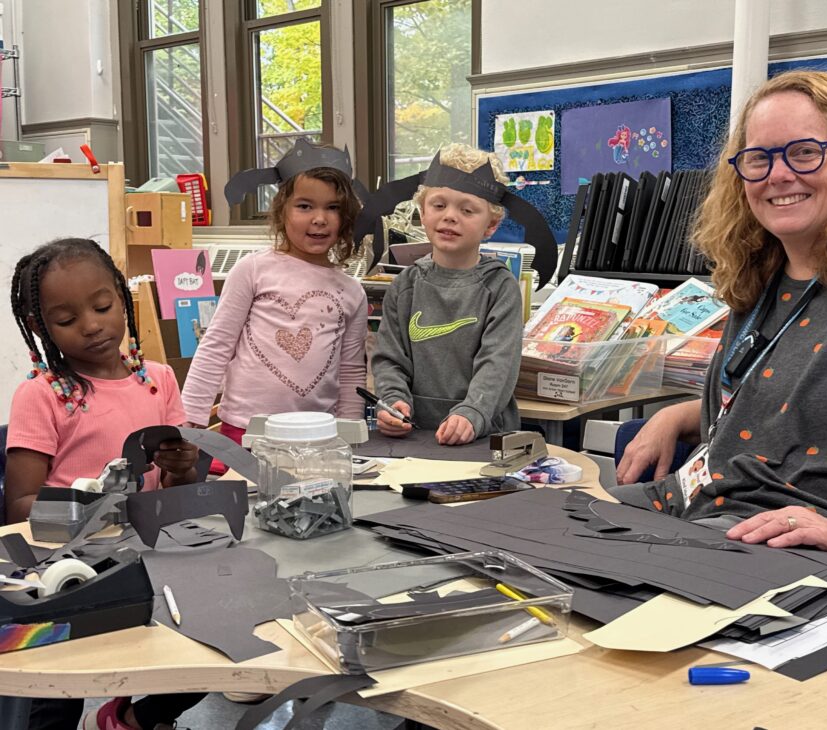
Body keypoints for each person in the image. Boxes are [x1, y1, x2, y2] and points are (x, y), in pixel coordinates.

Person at [614, 70, 827, 560]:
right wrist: (679, 416)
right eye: (758, 158)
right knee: (519, 531)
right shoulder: (764, 268)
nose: (777, 175)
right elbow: (789, 404)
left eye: (804, 152)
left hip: (801, 543)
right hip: (701, 515)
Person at [3, 238, 204, 730]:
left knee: (204, 643)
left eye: (102, 306)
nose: (92, 326)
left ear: (123, 297)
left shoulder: (158, 381)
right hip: (67, 571)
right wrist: (93, 506)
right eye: (67, 320)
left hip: (149, 560)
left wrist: (182, 467)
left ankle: (132, 717)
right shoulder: (43, 395)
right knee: (55, 696)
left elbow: (180, 491)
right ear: (40, 327)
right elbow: (19, 505)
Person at [180, 143, 368, 450]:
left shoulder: (352, 291)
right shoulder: (253, 270)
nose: (319, 218)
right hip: (245, 431)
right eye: (305, 206)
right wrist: (192, 417)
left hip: (316, 436)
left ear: (346, 217)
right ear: (282, 211)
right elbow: (217, 346)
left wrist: (349, 433)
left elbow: (350, 370)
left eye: (332, 207)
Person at [370, 144, 524, 445]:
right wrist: (392, 401)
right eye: (439, 205)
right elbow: (389, 360)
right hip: (415, 436)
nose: (450, 217)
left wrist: (471, 413)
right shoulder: (405, 286)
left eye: (467, 210)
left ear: (491, 225)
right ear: (423, 213)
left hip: (485, 437)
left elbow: (498, 365)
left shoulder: (500, 287)